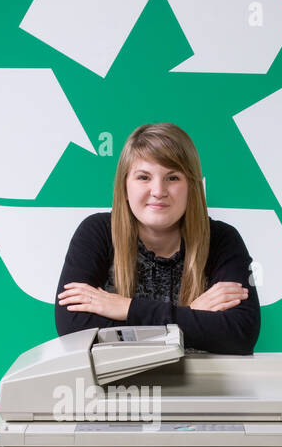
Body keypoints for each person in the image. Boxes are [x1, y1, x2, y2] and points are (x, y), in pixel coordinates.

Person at [55, 123, 260, 354]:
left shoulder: (222, 239)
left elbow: (240, 335)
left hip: (201, 379)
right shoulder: (97, 232)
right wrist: (190, 315)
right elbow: (75, 330)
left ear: (191, 187)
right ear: (124, 185)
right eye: (144, 177)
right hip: (121, 379)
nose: (158, 191)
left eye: (172, 178)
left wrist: (127, 308)